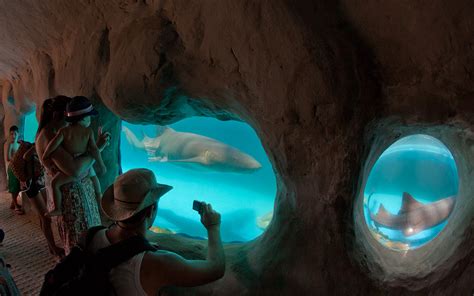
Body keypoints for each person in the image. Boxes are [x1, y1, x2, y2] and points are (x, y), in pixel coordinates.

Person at [88, 168, 225, 295]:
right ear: (152, 210)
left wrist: (141, 245)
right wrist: (213, 227)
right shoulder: (159, 263)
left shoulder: (90, 236)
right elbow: (215, 269)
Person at [35, 96, 110, 255]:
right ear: (58, 116)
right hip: (72, 203)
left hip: (77, 199)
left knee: (89, 242)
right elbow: (75, 170)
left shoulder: (58, 133)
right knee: (79, 245)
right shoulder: (50, 136)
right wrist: (99, 148)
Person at [42, 96, 107, 217]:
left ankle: (58, 208)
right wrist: (101, 165)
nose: (90, 120)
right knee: (94, 178)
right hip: (84, 166)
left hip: (71, 166)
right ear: (83, 118)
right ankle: (99, 198)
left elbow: (53, 145)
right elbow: (94, 150)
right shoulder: (88, 132)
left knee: (55, 183)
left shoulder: (64, 131)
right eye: (89, 117)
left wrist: (45, 155)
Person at [4, 126, 24, 215]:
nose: (13, 136)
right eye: (11, 134)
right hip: (12, 169)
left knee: (18, 187)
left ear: (18, 134)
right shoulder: (10, 144)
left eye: (15, 133)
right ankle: (15, 206)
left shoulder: (18, 144)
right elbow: (7, 158)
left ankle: (13, 203)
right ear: (9, 134)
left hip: (17, 168)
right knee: (14, 187)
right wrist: (16, 159)